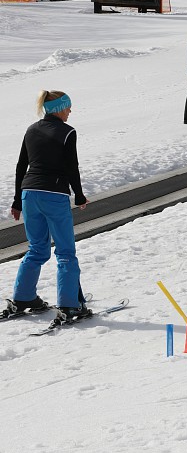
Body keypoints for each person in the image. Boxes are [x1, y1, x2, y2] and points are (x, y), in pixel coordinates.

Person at [7, 90, 91, 324]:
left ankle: (23, 298)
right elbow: (71, 167)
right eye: (68, 107)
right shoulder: (67, 132)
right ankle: (69, 305)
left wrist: (16, 200)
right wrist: (80, 196)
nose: (70, 111)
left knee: (37, 249)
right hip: (53, 195)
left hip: (28, 194)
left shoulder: (31, 129)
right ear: (58, 108)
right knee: (65, 252)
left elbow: (20, 166)